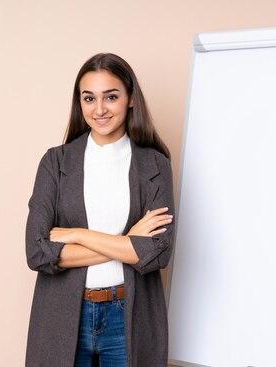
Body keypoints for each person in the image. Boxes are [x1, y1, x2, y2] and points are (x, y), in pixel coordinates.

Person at [25, 53, 175, 367]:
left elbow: (155, 254)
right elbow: (38, 253)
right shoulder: (55, 162)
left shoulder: (154, 164)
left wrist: (77, 235)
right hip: (65, 314)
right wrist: (127, 242)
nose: (100, 109)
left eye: (111, 96)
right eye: (89, 98)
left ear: (131, 98)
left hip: (128, 314)